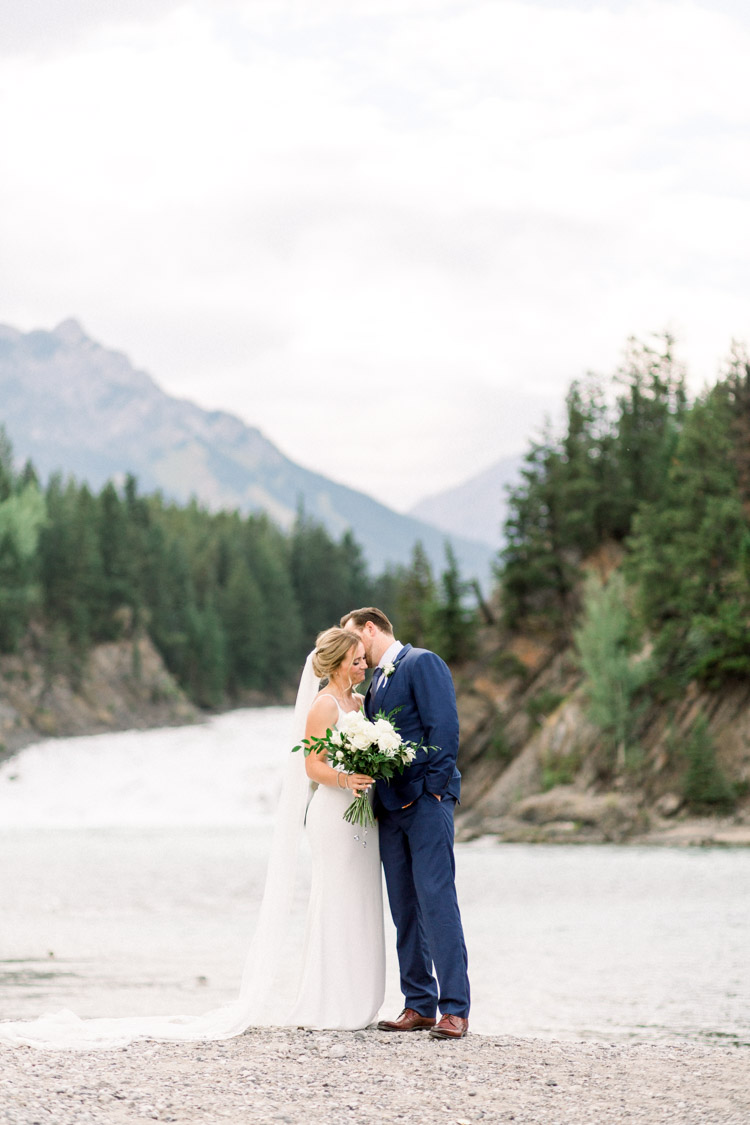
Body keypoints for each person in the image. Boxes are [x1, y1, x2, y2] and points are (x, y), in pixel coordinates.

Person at [0, 628, 385, 1048]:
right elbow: (312, 766)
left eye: (364, 658)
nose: (364, 664)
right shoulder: (323, 706)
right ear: (334, 663)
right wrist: (347, 779)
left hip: (362, 817)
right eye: (357, 659)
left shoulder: (361, 703)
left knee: (360, 897)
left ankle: (361, 998)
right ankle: (330, 1002)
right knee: (333, 899)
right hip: (334, 813)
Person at [341, 606, 470, 1040]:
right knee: (403, 906)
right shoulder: (374, 683)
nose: (352, 651)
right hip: (389, 806)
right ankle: (419, 1003)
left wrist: (435, 788)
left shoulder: (422, 662)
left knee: (436, 898)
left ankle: (455, 1008)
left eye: (354, 639)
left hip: (426, 801)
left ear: (371, 629)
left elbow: (444, 728)